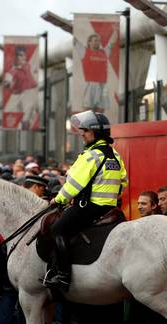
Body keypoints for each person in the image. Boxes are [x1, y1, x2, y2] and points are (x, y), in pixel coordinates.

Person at [43, 110, 127, 291]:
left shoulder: (92, 155)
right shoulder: (116, 156)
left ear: (96, 133)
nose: (82, 133)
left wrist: (58, 200)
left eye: (86, 131)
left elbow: (74, 184)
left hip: (89, 207)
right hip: (109, 208)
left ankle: (63, 276)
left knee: (57, 229)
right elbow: (123, 183)